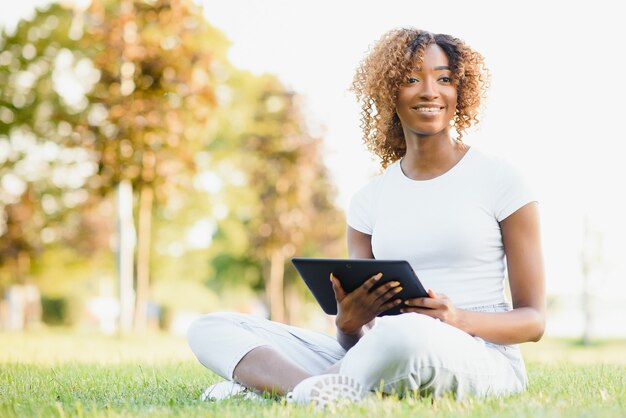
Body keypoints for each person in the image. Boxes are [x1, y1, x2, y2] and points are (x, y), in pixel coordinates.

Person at [187, 27, 545, 406]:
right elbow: (360, 337)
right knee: (210, 328)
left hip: (479, 353)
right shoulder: (369, 199)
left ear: (461, 90)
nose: (429, 91)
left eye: (444, 79)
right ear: (390, 91)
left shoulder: (501, 180)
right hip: (381, 349)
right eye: (411, 79)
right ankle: (316, 389)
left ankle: (285, 389)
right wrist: (347, 324)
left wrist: (456, 318)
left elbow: (534, 321)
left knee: (404, 335)